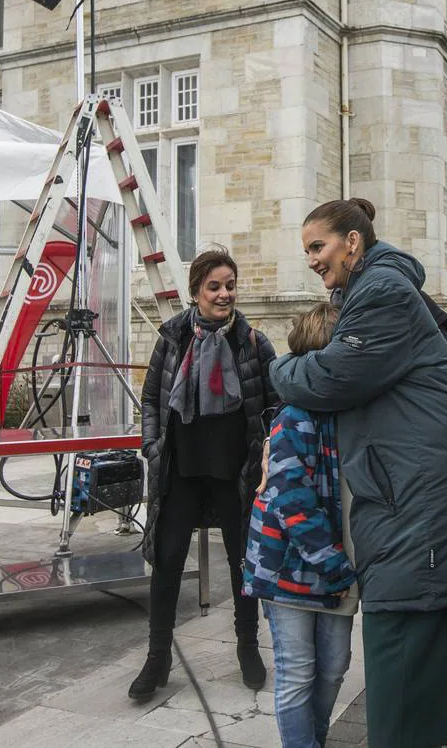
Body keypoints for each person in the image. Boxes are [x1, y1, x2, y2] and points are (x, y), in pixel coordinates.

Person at [269, 198, 447, 748]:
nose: (313, 262)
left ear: (352, 242)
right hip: (413, 509)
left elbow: (329, 377)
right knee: (417, 668)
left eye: (318, 247)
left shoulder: (383, 291)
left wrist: (279, 366)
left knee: (401, 670)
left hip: (415, 515)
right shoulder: (377, 288)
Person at [129, 248, 277, 701]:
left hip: (236, 473)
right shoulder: (173, 337)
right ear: (195, 292)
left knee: (242, 563)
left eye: (230, 285)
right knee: (168, 560)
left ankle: (247, 647)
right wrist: (153, 447)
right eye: (214, 286)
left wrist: (267, 454)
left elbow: (274, 403)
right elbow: (152, 397)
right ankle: (158, 656)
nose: (224, 294)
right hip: (182, 471)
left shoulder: (252, 341)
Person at [243, 303, 359, 748]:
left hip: (337, 569)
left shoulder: (349, 415)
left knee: (334, 668)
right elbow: (293, 501)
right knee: (297, 671)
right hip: (290, 567)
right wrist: (334, 566)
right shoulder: (294, 417)